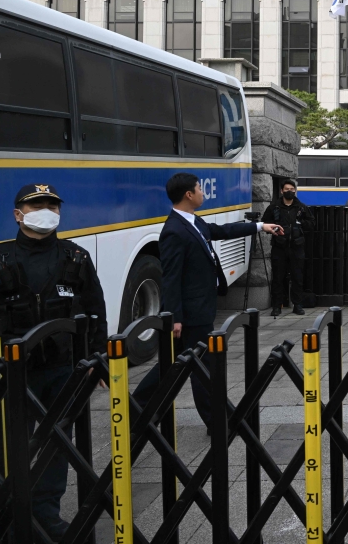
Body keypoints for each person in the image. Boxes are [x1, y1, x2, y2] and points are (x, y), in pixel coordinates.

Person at [0, 184, 107, 540]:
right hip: (12, 374)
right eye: (37, 204)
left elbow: (95, 310)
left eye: (51, 205)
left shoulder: (75, 257)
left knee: (57, 446)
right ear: (18, 214)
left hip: (62, 370)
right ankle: (8, 517)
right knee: (11, 448)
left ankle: (46, 515)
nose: (46, 210)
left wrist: (97, 358)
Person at [133, 174, 283, 430]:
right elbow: (171, 277)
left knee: (176, 365)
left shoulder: (193, 222)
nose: (203, 193)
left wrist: (260, 226)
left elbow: (221, 231)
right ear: (189, 195)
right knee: (202, 366)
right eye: (200, 189)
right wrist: (175, 316)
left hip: (200, 308)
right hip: (191, 314)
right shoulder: (174, 231)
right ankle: (216, 420)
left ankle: (137, 410)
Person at [262, 179, 315, 317]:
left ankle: (297, 305)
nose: (289, 191)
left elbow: (311, 223)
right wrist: (273, 229)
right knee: (278, 278)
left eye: (292, 189)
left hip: (297, 247)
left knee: (297, 277)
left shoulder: (301, 207)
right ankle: (276, 306)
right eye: (287, 189)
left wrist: (300, 223)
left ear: (295, 191)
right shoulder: (274, 207)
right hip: (279, 247)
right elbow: (265, 224)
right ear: (281, 191)